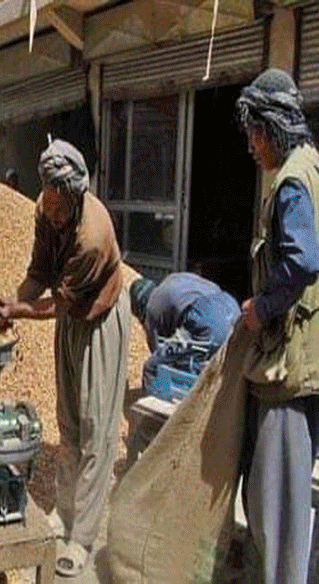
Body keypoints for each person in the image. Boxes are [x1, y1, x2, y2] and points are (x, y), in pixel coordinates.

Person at [0, 139, 129, 578]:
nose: (54, 211)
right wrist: (10, 303)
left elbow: (59, 302)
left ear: (77, 194)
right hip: (70, 318)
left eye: (62, 205)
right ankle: (65, 514)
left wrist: (19, 313)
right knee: (68, 422)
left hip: (99, 317)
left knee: (96, 427)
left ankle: (82, 538)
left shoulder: (92, 237)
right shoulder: (46, 208)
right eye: (49, 200)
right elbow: (38, 276)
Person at [234, 68, 319, 584]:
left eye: (252, 134)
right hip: (308, 358)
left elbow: (303, 260)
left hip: (288, 367)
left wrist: (261, 307)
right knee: (291, 499)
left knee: (276, 505)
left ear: (269, 128)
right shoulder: (313, 167)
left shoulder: (291, 180)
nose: (249, 146)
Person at [129, 273, 240, 392]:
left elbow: (158, 353)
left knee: (152, 367)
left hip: (207, 317)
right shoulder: (172, 279)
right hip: (233, 310)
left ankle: (156, 406)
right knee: (206, 364)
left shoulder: (151, 308)